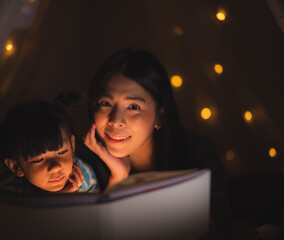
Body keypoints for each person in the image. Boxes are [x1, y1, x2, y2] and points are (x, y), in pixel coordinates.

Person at [84, 49, 232, 236]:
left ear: (159, 117)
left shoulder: (197, 153)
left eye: (134, 107)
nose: (115, 120)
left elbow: (223, 231)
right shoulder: (81, 165)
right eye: (105, 103)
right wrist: (117, 178)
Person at [0, 94, 129, 222]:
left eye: (62, 152)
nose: (55, 166)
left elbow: (94, 222)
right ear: (16, 167)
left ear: (72, 145)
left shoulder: (82, 180)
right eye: (39, 160)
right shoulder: (1, 178)